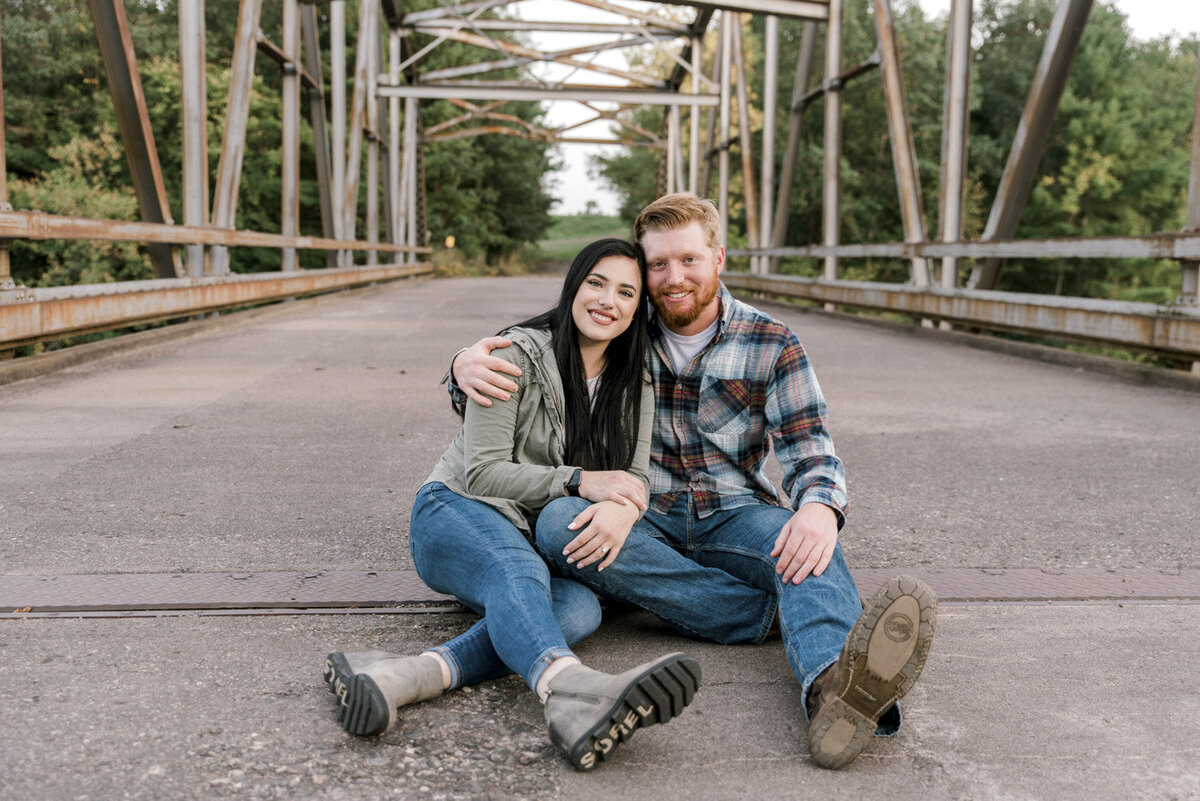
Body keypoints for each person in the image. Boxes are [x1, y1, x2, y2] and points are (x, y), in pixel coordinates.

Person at [450, 193, 937, 770]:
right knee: (560, 523)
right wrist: (462, 366)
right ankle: (774, 613)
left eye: (688, 260)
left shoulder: (771, 341)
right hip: (639, 514)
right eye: (657, 264)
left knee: (809, 545)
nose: (672, 278)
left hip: (733, 511)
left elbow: (810, 448)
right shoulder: (624, 324)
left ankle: (834, 689)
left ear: (719, 258)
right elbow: (534, 351)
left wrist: (820, 509)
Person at [325, 238, 701, 772]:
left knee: (578, 609)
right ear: (573, 286)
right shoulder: (517, 354)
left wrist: (626, 505)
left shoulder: (633, 379)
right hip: (455, 510)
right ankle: (571, 691)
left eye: (625, 292)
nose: (607, 301)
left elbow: (635, 474)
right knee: (520, 568)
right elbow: (482, 471)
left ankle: (396, 678)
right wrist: (581, 481)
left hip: (521, 533)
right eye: (595, 283)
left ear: (638, 307)